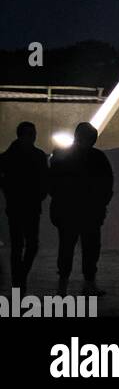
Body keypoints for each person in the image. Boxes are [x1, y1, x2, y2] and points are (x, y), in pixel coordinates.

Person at [48, 122, 114, 295]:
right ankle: (89, 284)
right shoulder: (98, 158)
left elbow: (52, 185)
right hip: (90, 212)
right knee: (91, 249)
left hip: (67, 212)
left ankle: (62, 287)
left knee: (66, 248)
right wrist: (101, 205)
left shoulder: (61, 156)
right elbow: (107, 184)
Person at [0, 121, 49, 291]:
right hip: (31, 206)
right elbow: (44, 180)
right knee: (29, 244)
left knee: (17, 246)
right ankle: (20, 279)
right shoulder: (38, 156)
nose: (32, 137)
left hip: (16, 206)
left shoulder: (7, 157)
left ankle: (18, 280)